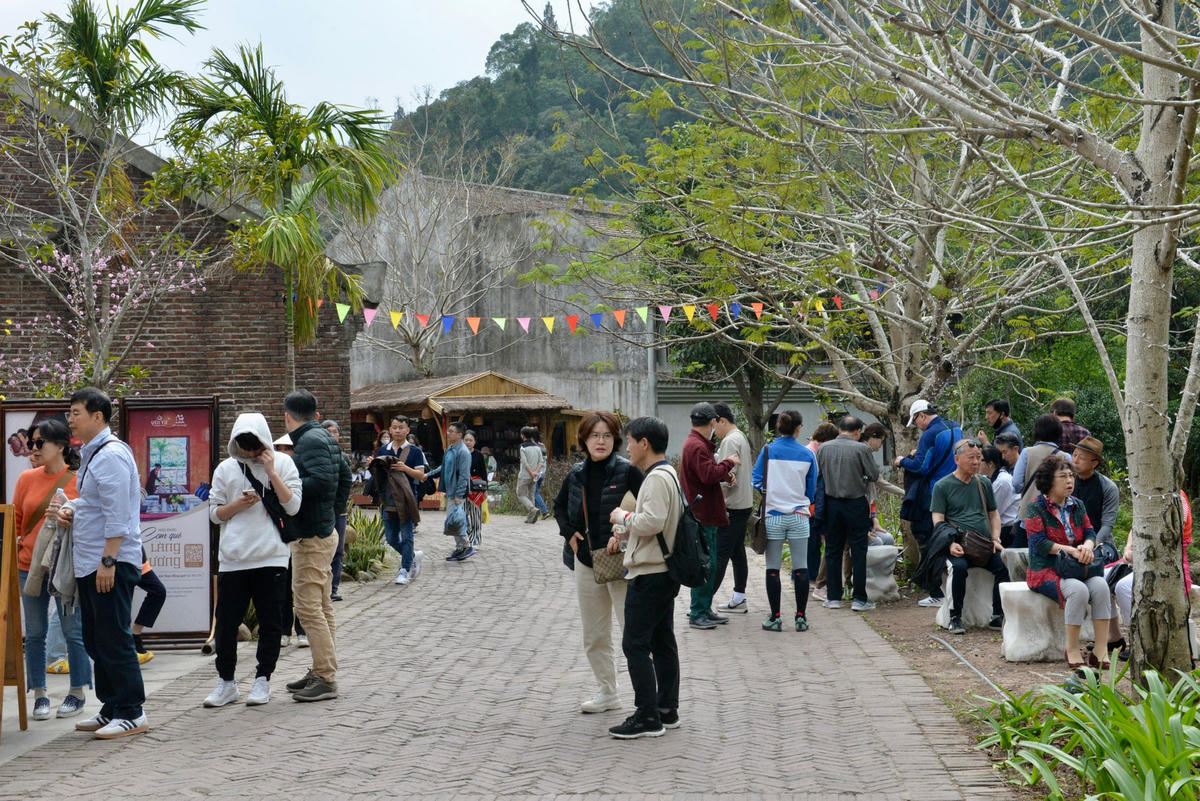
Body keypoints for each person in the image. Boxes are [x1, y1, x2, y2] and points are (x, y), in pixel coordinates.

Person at [59, 387, 147, 739]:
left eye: (76, 412)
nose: (71, 418)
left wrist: (108, 560)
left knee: (113, 637)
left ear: (98, 416)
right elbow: (94, 505)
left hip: (108, 561)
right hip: (90, 561)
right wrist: (71, 508)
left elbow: (118, 514)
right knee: (97, 638)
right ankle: (111, 706)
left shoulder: (110, 454)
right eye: (70, 412)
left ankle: (132, 712)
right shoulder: (93, 453)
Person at [204, 413, 301, 708]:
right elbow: (213, 512)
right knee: (226, 624)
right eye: (244, 446)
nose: (250, 452)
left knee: (271, 622)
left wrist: (271, 472)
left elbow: (293, 506)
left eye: (254, 445)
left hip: (272, 556)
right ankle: (227, 683)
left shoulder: (284, 463)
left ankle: (263, 680)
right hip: (234, 558)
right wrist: (236, 505)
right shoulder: (226, 468)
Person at [554, 411, 644, 715]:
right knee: (595, 633)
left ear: (615, 439)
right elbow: (558, 507)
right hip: (587, 562)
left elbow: (647, 507)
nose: (601, 441)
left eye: (607, 435)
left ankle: (647, 697)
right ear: (584, 439)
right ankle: (608, 691)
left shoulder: (628, 471)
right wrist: (569, 534)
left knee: (633, 630)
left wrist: (624, 532)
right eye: (594, 435)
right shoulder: (576, 473)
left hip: (622, 562)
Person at [606, 416, 682, 739]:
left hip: (650, 573)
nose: (628, 448)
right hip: (664, 570)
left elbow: (650, 521)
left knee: (634, 642)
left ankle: (647, 715)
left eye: (630, 441)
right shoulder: (670, 474)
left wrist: (622, 517)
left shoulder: (654, 478)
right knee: (662, 640)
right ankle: (667, 708)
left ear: (644, 444)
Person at [15, 418, 90, 720]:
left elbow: (89, 520)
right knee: (34, 633)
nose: (33, 448)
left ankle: (77, 692)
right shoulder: (26, 479)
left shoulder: (78, 478)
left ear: (60, 445)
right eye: (31, 442)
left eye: (39, 443)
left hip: (64, 565)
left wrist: (68, 516)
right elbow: (17, 522)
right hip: (29, 565)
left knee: (73, 630)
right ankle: (40, 695)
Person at [280, 389, 351, 703]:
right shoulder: (322, 437)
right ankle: (322, 669)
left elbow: (322, 481)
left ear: (287, 416)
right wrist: (334, 512)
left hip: (312, 535)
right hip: (322, 530)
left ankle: (325, 677)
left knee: (308, 609)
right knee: (322, 607)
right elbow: (345, 477)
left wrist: (286, 489)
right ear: (316, 413)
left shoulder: (308, 441)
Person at [1023, 453, 1113, 669]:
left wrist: (1088, 546)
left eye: (1071, 476)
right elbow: (1039, 543)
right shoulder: (1036, 507)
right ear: (1049, 481)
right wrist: (1071, 550)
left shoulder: (1077, 504)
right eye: (1063, 476)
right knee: (1078, 590)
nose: (1070, 480)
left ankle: (1101, 648)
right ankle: (1072, 648)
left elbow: (1090, 532)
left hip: (1077, 567)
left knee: (1101, 586)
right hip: (1046, 570)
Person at [929, 439, 1010, 634]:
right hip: (958, 545)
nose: (976, 462)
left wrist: (995, 539)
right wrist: (949, 545)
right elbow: (938, 520)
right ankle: (955, 616)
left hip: (984, 544)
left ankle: (997, 615)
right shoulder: (942, 486)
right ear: (957, 459)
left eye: (979, 458)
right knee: (958, 568)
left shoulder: (983, 482)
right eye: (971, 458)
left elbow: (993, 514)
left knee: (1003, 566)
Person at [752, 409, 818, 631]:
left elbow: (756, 479)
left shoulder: (768, 450)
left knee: (773, 567)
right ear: (799, 428)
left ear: (778, 427)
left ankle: (775, 616)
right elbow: (811, 488)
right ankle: (801, 617)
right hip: (799, 515)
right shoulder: (808, 455)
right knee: (801, 567)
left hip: (773, 516)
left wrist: (770, 492)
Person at [894, 399, 962, 607]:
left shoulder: (929, 434)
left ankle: (935, 592)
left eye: (916, 422)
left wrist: (902, 461)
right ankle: (950, 588)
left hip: (934, 494)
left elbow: (921, 467)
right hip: (955, 489)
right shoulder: (954, 427)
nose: (917, 426)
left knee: (928, 538)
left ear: (921, 416)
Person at [679, 402, 740, 629]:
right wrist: (729, 462)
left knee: (710, 564)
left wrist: (724, 474)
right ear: (713, 421)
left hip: (705, 513)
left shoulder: (697, 443)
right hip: (701, 514)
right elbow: (707, 474)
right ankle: (698, 613)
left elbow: (705, 474)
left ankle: (704, 609)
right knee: (705, 565)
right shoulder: (696, 445)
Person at [816, 416, 879, 612]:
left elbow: (820, 475)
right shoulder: (862, 449)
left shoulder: (824, 448)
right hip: (856, 503)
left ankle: (834, 597)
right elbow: (874, 475)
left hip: (831, 503)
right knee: (858, 551)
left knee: (832, 550)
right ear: (858, 431)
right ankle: (859, 599)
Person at [370, 416, 427, 584]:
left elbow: (421, 475)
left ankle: (404, 570)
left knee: (407, 535)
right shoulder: (383, 450)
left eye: (401, 427)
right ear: (390, 428)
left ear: (408, 430)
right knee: (391, 538)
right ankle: (412, 556)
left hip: (407, 497)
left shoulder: (415, 451)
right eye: (394, 427)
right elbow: (379, 476)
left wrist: (405, 468)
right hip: (388, 498)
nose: (397, 431)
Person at [712, 402, 754, 614]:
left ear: (722, 420)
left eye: (714, 425)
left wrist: (717, 505)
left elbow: (726, 477)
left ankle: (702, 603)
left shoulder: (730, 441)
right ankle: (739, 597)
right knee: (737, 552)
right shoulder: (740, 437)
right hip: (743, 504)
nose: (713, 431)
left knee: (719, 554)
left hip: (732, 505)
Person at [1011, 414, 1070, 548]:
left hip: (1028, 515)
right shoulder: (1065, 457)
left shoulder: (1027, 452)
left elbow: (1016, 483)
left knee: (1022, 557)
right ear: (1058, 432)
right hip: (1055, 516)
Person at [806, 421, 839, 599]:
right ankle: (811, 579)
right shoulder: (813, 452)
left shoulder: (814, 450)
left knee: (814, 543)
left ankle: (810, 578)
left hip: (813, 504)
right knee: (812, 544)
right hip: (811, 504)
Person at [321, 420, 351, 601]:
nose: (333, 435)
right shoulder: (320, 456)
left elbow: (345, 485)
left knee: (338, 550)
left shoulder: (343, 457)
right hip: (324, 510)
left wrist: (339, 507)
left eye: (335, 432)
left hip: (339, 511)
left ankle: (333, 588)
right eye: (329, 432)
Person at [1070, 436, 1118, 547]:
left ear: (1094, 463)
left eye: (1081, 458)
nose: (1075, 460)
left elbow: (1107, 523)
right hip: (1069, 541)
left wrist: (1091, 545)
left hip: (1099, 543)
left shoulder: (1108, 487)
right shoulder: (1067, 482)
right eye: (1074, 455)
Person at [442, 421, 474, 561]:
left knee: (455, 520)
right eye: (448, 431)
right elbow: (444, 467)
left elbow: (464, 475)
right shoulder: (450, 449)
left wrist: (459, 494)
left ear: (459, 434)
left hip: (456, 492)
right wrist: (428, 475)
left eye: (451, 431)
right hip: (449, 489)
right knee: (453, 519)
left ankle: (466, 546)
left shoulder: (463, 452)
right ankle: (460, 547)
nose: (448, 433)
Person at [981, 445, 1020, 547]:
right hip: (1001, 527)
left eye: (980, 460)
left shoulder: (1002, 481)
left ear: (990, 464)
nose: (976, 462)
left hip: (1008, 530)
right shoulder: (989, 478)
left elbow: (993, 511)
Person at [131, 555, 167, 664]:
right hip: (121, 561)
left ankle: (134, 635)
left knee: (158, 592)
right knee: (122, 604)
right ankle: (129, 648)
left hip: (137, 560)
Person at [463, 430, 487, 549]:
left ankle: (475, 539)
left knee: (475, 516)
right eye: (466, 440)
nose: (468, 442)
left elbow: (483, 472)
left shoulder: (478, 455)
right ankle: (466, 537)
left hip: (476, 488)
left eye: (470, 440)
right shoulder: (460, 453)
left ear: (475, 442)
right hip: (462, 488)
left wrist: (485, 489)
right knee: (462, 514)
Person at [517, 426, 545, 524]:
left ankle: (532, 509)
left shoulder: (522, 447)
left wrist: (531, 472)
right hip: (535, 476)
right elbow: (541, 461)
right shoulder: (537, 447)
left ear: (522, 435)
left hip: (525, 475)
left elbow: (524, 462)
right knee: (531, 495)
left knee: (520, 494)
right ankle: (531, 518)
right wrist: (535, 472)